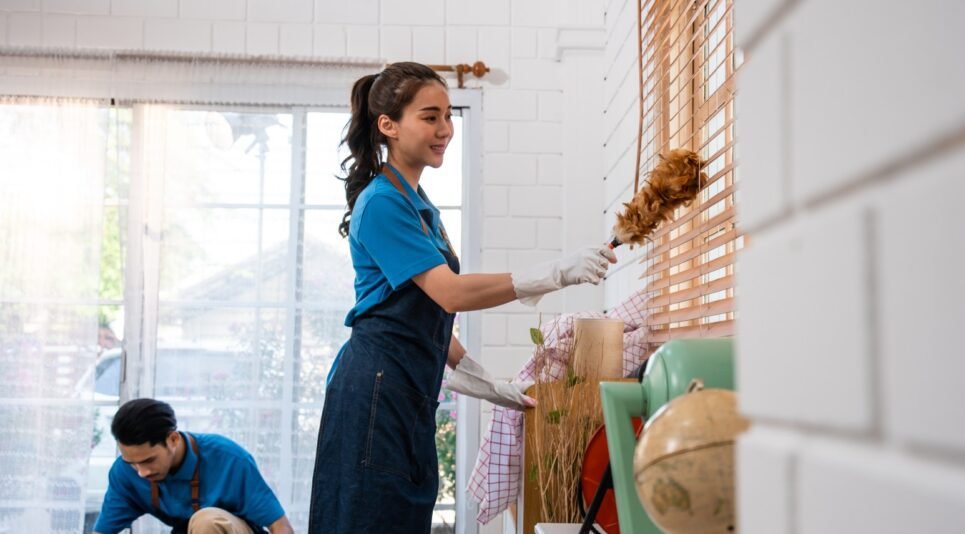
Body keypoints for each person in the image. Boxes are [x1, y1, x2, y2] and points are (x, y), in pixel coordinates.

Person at [308, 61, 616, 533]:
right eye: (430, 117)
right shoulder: (382, 203)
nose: (445, 130)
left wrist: (485, 381)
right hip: (376, 394)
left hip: (405, 393)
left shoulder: (419, 206)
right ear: (389, 125)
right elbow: (449, 294)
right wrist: (554, 274)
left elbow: (423, 317)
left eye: (448, 116)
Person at [93, 399, 294, 534]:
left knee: (206, 521)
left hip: (231, 529)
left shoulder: (229, 458)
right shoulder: (124, 472)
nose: (141, 472)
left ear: (172, 439)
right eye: (132, 463)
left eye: (149, 461)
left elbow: (281, 527)